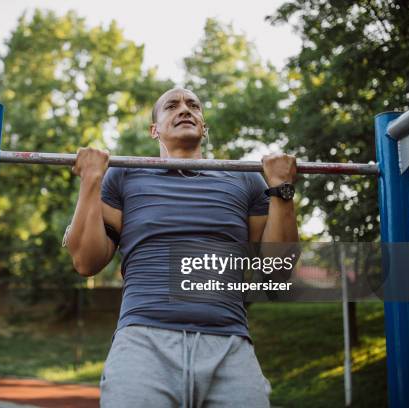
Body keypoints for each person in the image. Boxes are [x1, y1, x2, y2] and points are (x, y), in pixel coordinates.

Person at [65, 87, 298, 408]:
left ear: (204, 126)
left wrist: (281, 189)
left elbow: (278, 271)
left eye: (193, 106)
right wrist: (91, 180)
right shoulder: (125, 174)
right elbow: (85, 262)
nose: (185, 109)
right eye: (172, 106)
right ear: (154, 129)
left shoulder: (245, 179)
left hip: (229, 344)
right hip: (144, 342)